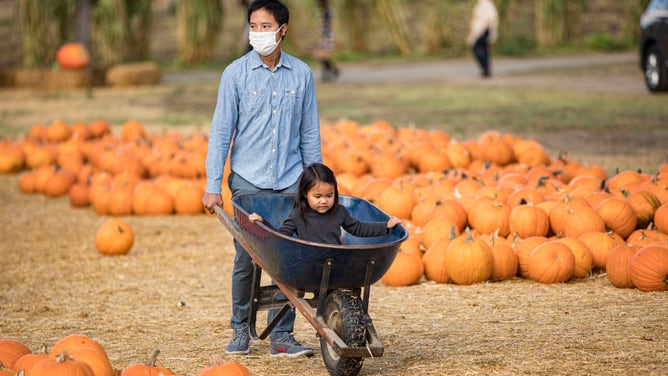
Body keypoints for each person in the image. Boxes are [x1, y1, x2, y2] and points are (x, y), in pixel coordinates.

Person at [202, 0, 322, 358]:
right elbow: (221, 132)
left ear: (283, 30)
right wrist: (213, 185)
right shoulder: (235, 74)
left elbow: (309, 134)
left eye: (265, 26)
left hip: (289, 181)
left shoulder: (301, 75)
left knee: (288, 259)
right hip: (248, 182)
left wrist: (316, 184)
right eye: (253, 26)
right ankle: (241, 328)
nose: (258, 33)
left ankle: (281, 336)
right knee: (247, 257)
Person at [249, 163, 402, 242]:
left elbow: (358, 228)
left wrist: (385, 226)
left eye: (329, 195)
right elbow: (281, 236)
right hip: (307, 263)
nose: (324, 201)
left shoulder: (339, 212)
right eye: (317, 196)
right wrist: (263, 223)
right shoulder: (297, 215)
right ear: (305, 194)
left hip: (334, 261)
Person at [466, 0, 499, 77]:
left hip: (483, 30)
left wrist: (485, 30)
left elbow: (491, 17)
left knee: (475, 47)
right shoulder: (480, 4)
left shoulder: (486, 4)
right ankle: (486, 70)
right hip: (480, 30)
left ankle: (485, 68)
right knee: (484, 49)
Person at [314, 0, 339, 82]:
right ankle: (331, 70)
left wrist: (324, 37)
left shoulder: (327, 12)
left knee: (323, 55)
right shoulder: (325, 11)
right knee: (321, 55)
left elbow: (328, 25)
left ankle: (328, 73)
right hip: (324, 35)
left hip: (326, 35)